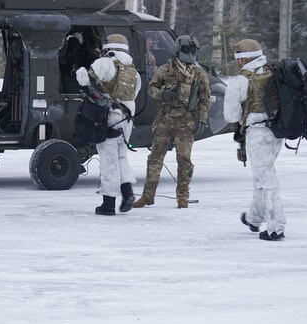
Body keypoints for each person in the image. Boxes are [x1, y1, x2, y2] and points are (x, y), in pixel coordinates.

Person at [132, 35, 210, 209]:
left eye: (192, 50)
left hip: (186, 119)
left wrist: (202, 119)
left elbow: (205, 98)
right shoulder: (166, 70)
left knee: (184, 159)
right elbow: (152, 88)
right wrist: (163, 94)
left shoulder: (198, 73)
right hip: (165, 118)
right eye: (186, 50)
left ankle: (183, 196)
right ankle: (148, 196)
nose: (190, 54)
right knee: (155, 158)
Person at [224, 39, 286, 241]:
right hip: (277, 131)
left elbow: (231, 116)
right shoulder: (273, 73)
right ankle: (255, 217)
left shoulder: (240, 81)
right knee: (262, 175)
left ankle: (276, 226)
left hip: (257, 134)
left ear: (242, 59)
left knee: (267, 179)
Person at [76, 34, 142, 215]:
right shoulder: (133, 71)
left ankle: (108, 205)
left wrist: (79, 70)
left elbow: (85, 79)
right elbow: (134, 94)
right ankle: (127, 192)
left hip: (109, 119)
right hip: (127, 120)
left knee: (108, 161)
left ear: (108, 47)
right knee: (121, 157)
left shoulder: (104, 63)